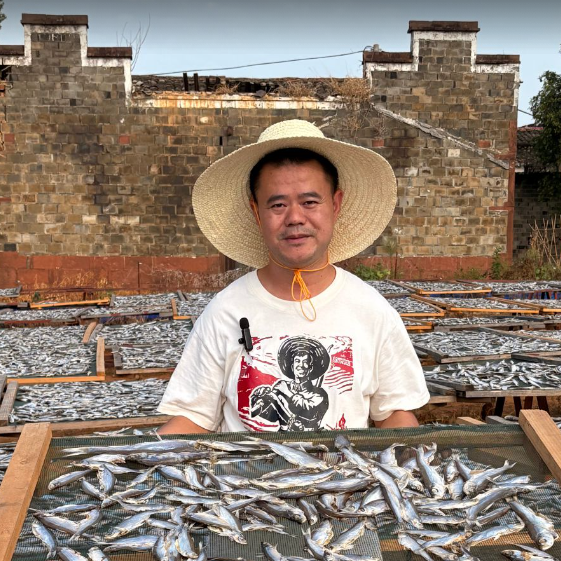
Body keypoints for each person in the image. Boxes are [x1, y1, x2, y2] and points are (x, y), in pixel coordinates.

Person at [158, 119, 429, 433]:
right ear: (257, 212)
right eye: (277, 205)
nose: (295, 218)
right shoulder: (225, 311)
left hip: (341, 481)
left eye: (310, 202)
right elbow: (192, 418)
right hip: (246, 482)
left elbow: (394, 415)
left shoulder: (373, 311)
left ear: (335, 205)